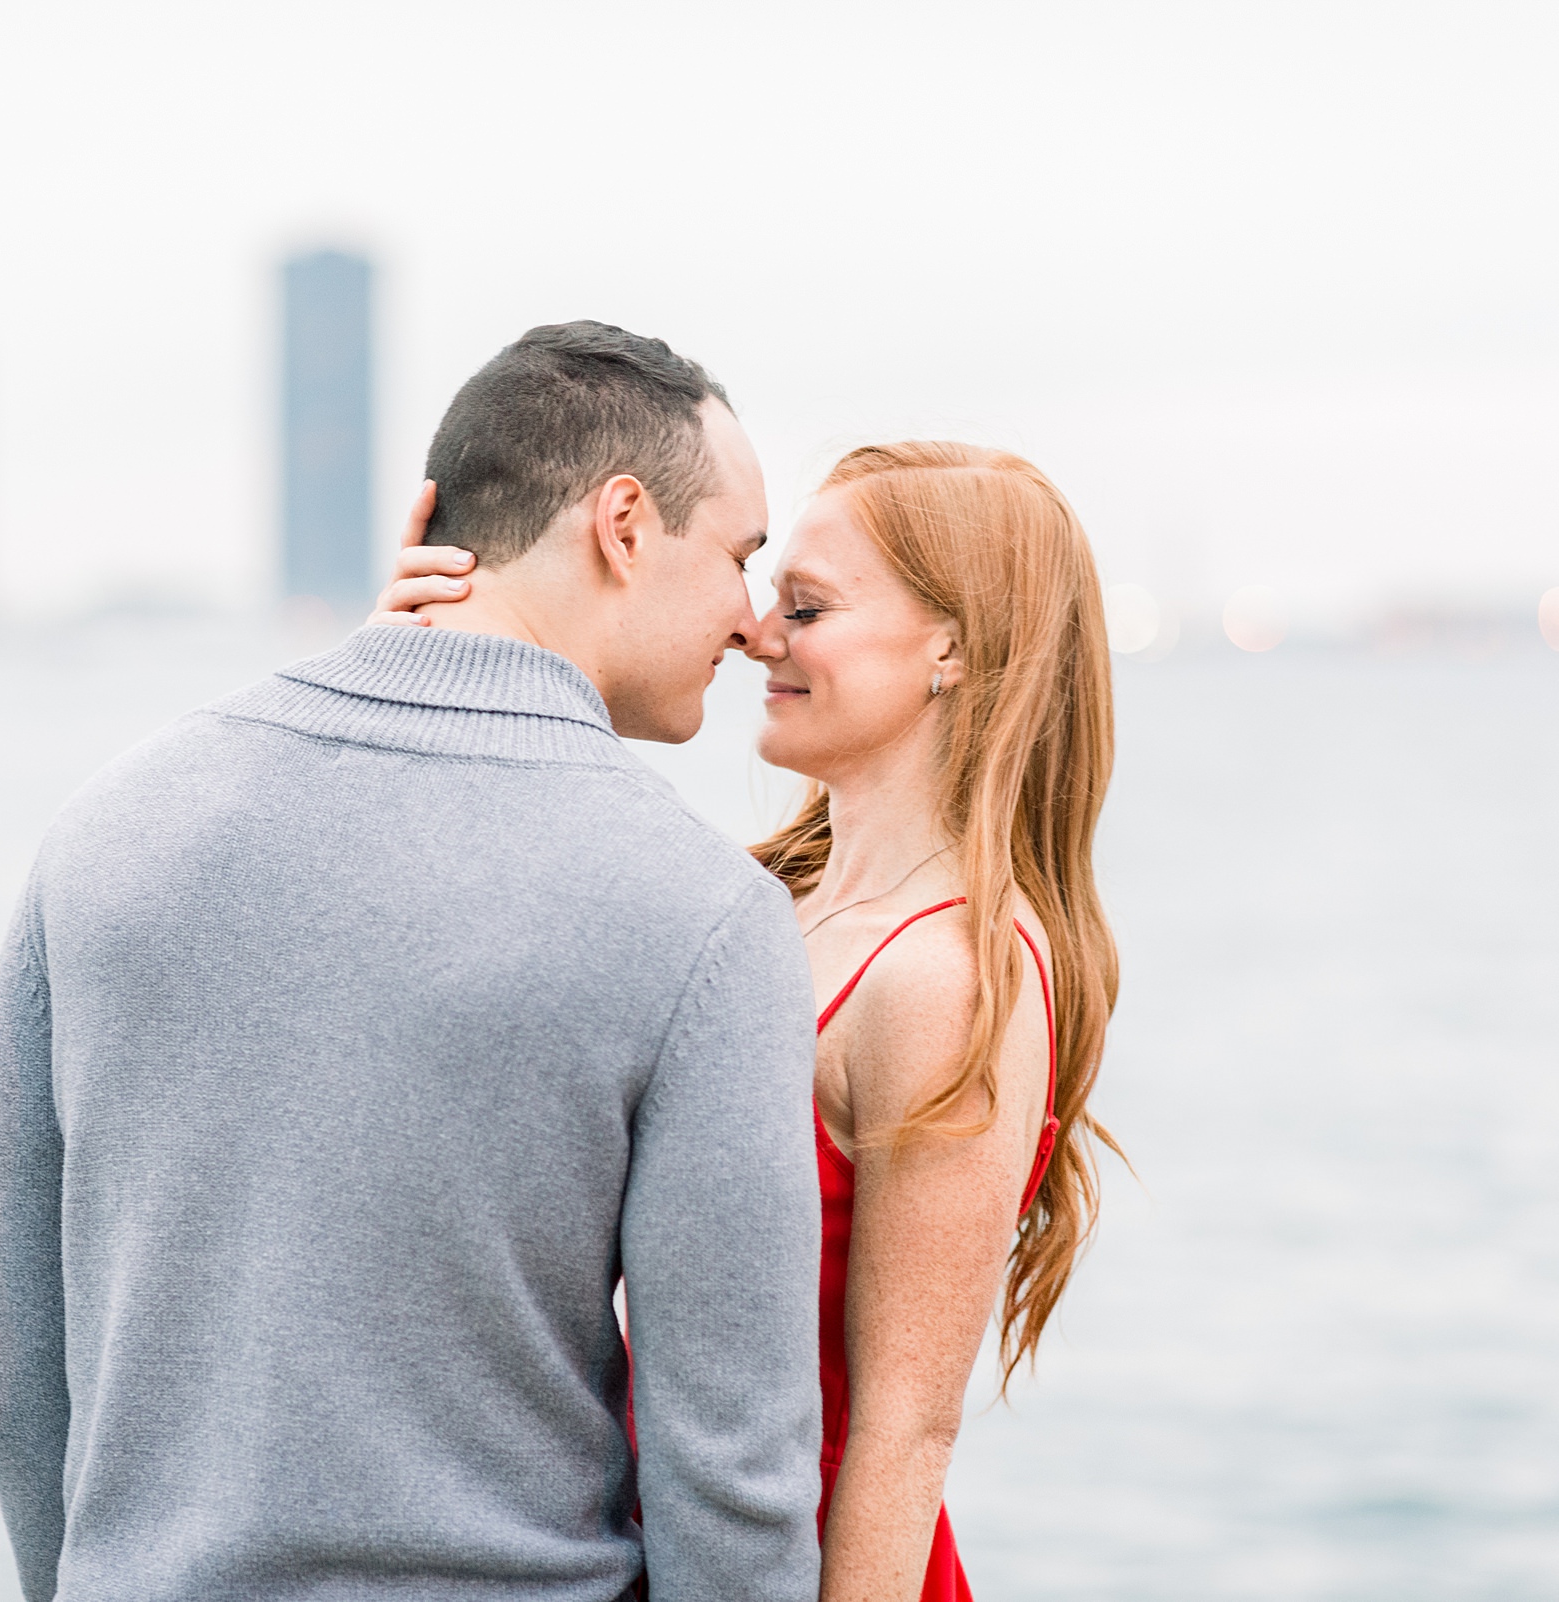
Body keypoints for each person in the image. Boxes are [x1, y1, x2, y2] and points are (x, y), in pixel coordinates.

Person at [0, 322, 824, 1602]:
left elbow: (3, 1339)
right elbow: (732, 1479)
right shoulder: (700, 913)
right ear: (624, 524)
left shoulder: (109, 829)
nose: (753, 623)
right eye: (742, 557)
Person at [378, 441, 1120, 1601]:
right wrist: (427, 673)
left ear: (955, 646)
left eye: (807, 607)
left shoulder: (948, 978)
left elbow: (903, 1431)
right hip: (659, 1538)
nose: (754, 633)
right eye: (771, 594)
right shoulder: (761, 901)